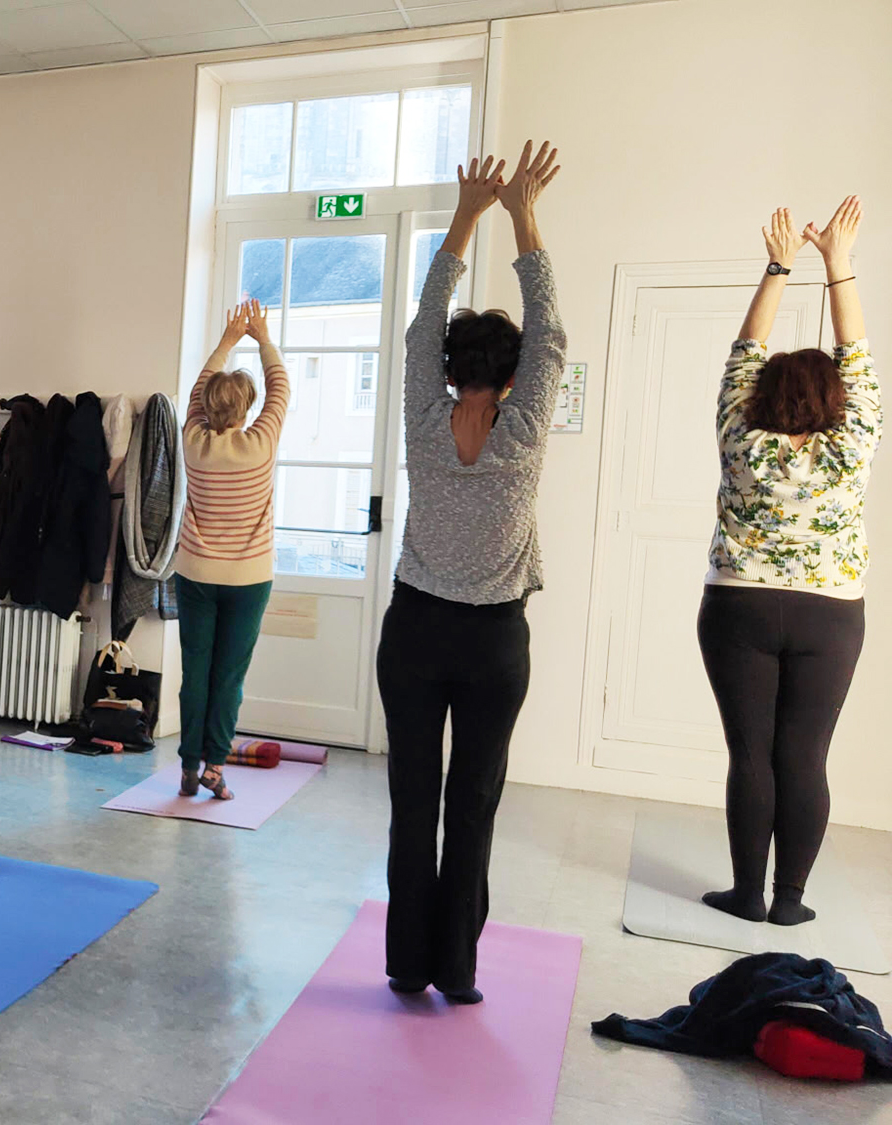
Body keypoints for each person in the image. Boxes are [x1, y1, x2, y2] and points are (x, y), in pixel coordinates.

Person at [380, 141, 565, 1006]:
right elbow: (552, 328)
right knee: (474, 801)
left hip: (415, 630)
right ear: (518, 374)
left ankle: (409, 965)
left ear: (449, 369)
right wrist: (526, 214)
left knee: (414, 799)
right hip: (494, 640)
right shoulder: (523, 430)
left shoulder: (424, 416)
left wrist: (466, 216)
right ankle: (456, 970)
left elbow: (424, 321)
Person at [699, 197, 876, 927]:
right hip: (830, 613)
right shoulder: (853, 439)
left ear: (763, 395)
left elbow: (745, 351)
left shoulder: (742, 435)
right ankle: (790, 900)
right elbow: (858, 361)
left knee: (751, 754)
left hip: (739, 605)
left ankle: (745, 891)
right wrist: (838, 266)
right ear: (837, 401)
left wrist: (779, 265)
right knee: (804, 757)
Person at [175, 298, 290, 800]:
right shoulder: (260, 443)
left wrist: (228, 338)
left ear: (206, 408)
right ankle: (215, 768)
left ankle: (186, 766)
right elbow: (282, 388)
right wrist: (261, 336)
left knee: (195, 672)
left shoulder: (194, 441)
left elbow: (200, 389)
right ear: (246, 409)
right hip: (248, 580)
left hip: (196, 574)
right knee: (229, 677)